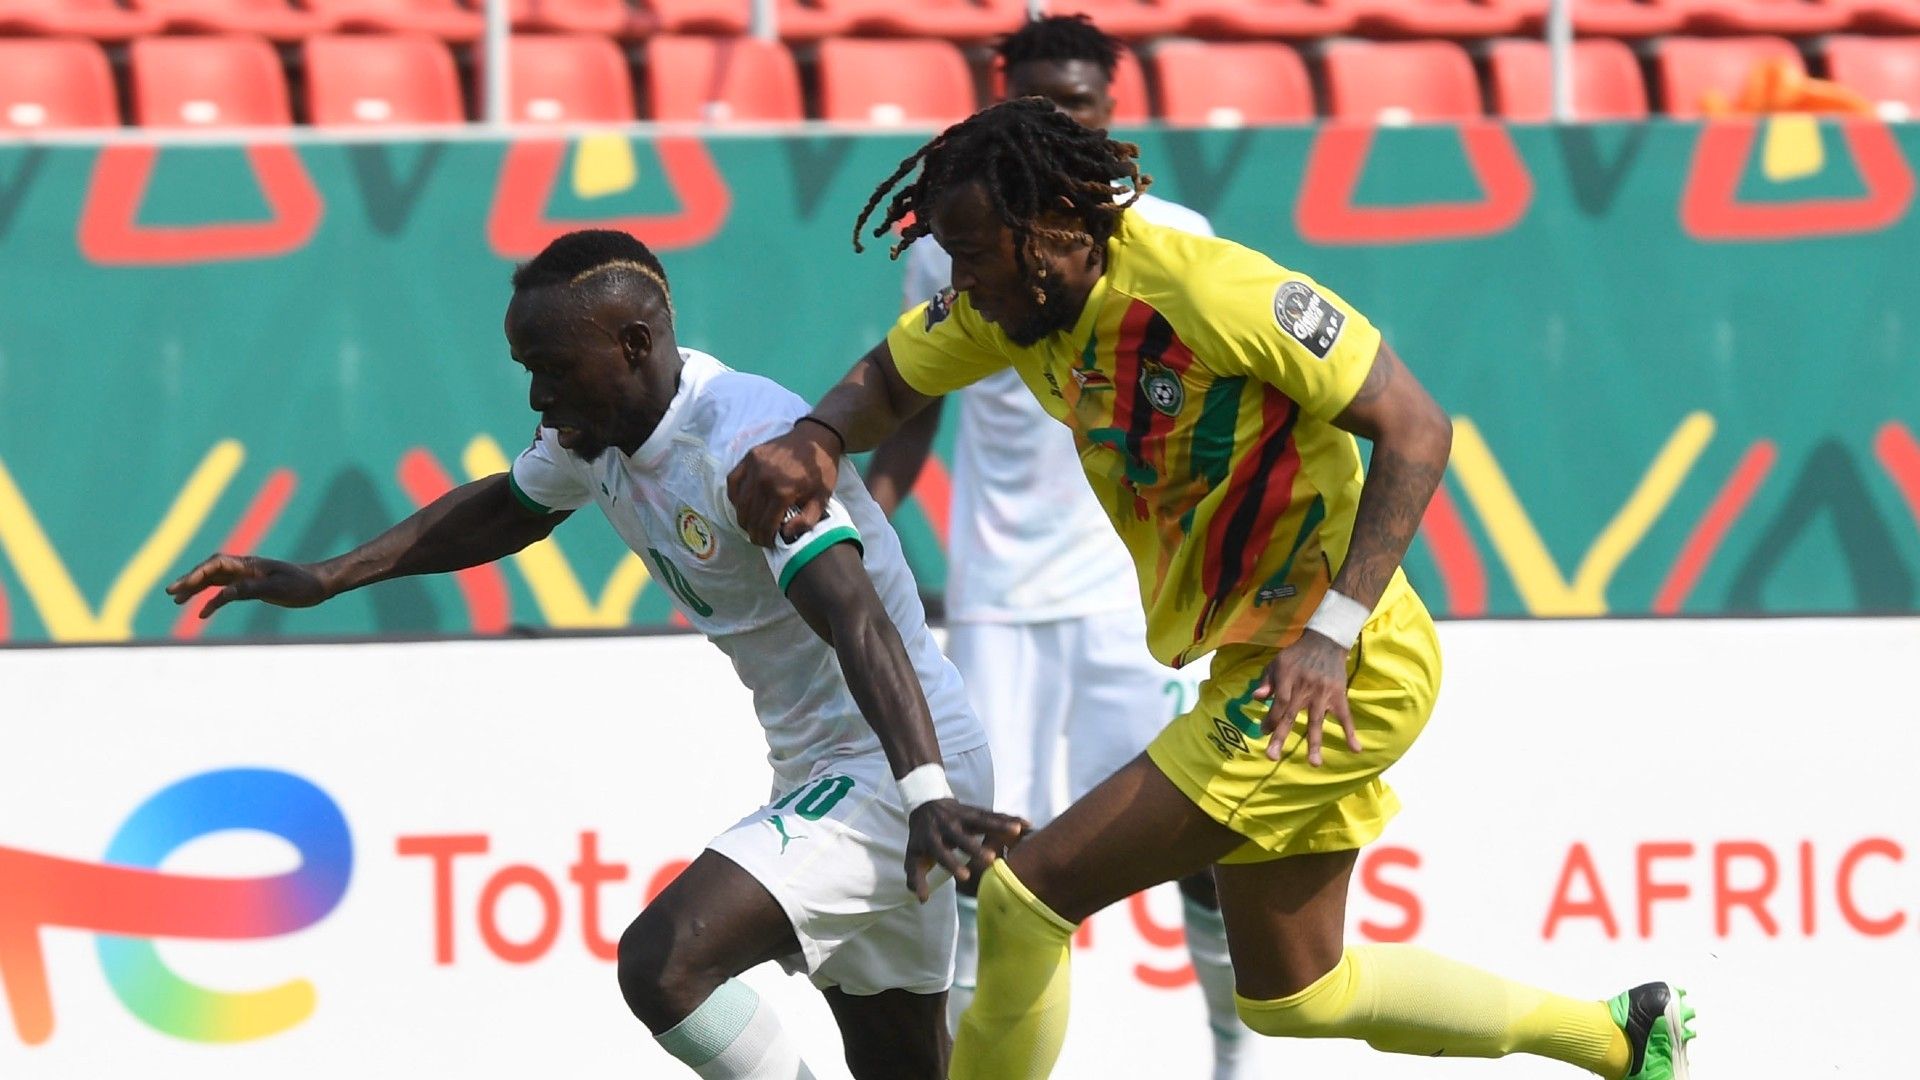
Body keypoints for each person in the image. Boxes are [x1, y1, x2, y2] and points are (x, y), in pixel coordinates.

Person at [726, 100, 1696, 1080]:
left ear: (1054, 230)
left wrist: (1330, 635)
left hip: (1337, 669)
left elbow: (1418, 429)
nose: (957, 280)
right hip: (1254, 664)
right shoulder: (1012, 309)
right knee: (1300, 994)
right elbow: (889, 383)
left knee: (1026, 898)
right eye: (948, 256)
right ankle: (1621, 1037)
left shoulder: (1208, 290)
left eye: (972, 254)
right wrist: (815, 437)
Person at [166, 229, 1027, 1080]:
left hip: (901, 765)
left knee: (665, 964)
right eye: (526, 370)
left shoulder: (742, 446)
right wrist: (325, 577)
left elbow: (857, 617)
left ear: (635, 344)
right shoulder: (601, 436)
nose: (538, 397)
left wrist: (925, 793)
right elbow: (505, 507)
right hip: (832, 771)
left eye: (551, 367)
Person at [862, 14, 1256, 1078]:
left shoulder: (1179, 238)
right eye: (1035, 103)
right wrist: (863, 532)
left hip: (1138, 606)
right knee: (976, 862)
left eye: (1075, 103)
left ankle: (1234, 1055)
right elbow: (909, 407)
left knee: (1202, 855)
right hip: (997, 604)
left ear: (1110, 110)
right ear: (1003, 104)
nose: (1056, 120)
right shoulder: (955, 250)